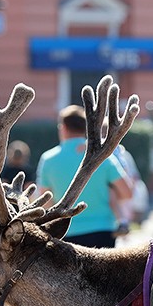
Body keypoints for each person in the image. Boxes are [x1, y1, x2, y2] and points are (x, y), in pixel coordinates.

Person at [36, 105, 131, 248]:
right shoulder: (103, 156)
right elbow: (127, 193)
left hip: (66, 232)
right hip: (103, 231)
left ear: (63, 127)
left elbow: (46, 200)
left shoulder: (48, 159)